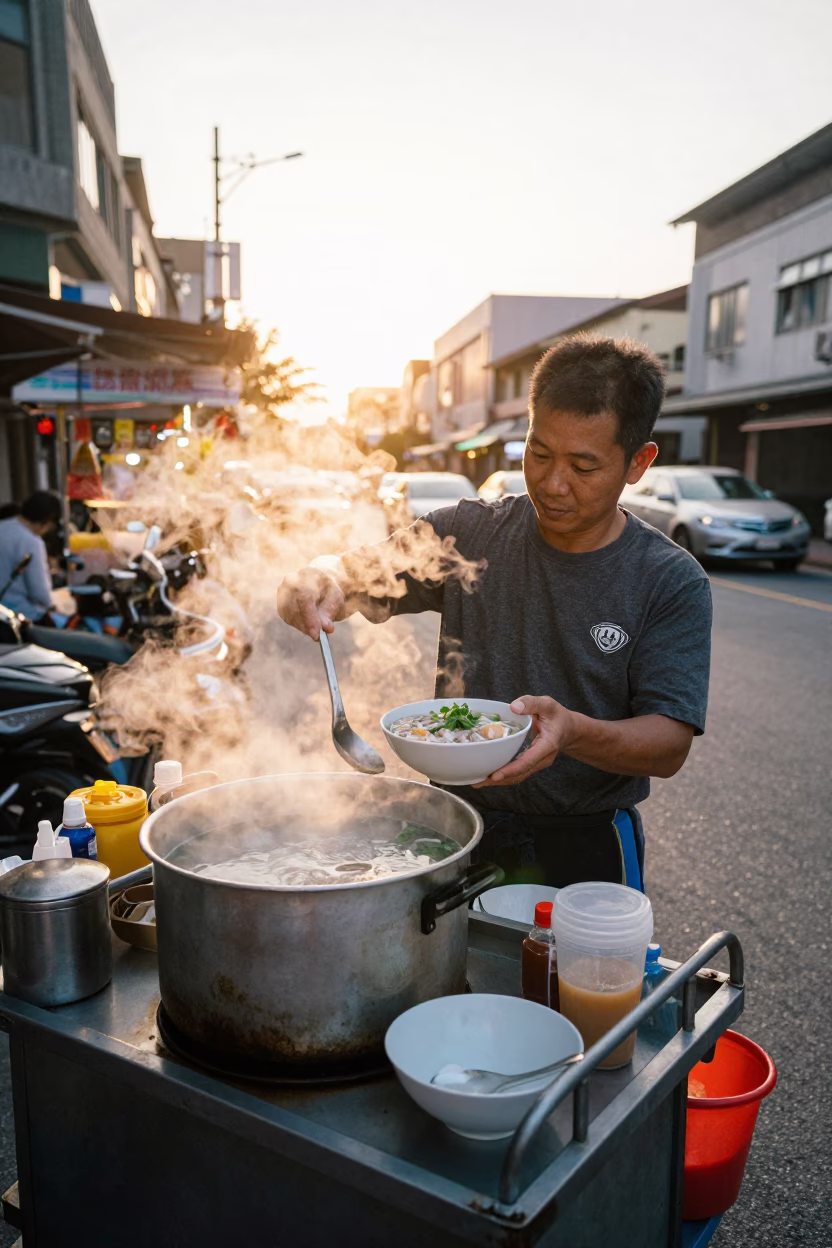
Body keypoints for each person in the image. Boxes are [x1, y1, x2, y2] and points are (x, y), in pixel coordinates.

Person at [277, 336, 712, 892]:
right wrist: (316, 575)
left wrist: (572, 731)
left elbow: (669, 742)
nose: (553, 485)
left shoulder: (668, 579)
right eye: (539, 453)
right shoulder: (470, 530)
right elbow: (352, 571)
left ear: (638, 462)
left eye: (584, 466)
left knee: (567, 980)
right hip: (451, 825)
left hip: (583, 841)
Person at [0, 491, 62, 622]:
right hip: (20, 616)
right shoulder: (32, 541)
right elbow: (39, 592)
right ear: (48, 520)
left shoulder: (3, 527)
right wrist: (55, 605)